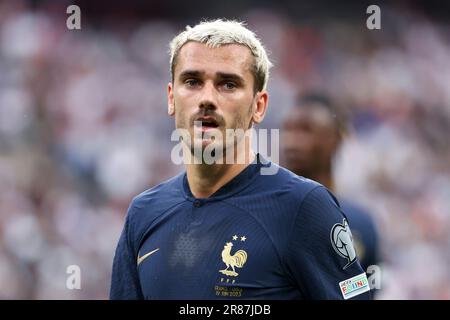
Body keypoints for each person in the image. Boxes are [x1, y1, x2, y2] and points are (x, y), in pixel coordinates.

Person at [110, 19, 370, 300]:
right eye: (193, 81)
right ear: (171, 98)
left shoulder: (303, 207)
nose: (207, 98)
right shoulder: (144, 213)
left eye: (228, 84)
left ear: (258, 106)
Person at [282, 92, 380, 289]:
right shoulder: (264, 213)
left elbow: (371, 287)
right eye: (288, 130)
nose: (292, 142)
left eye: (306, 130)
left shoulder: (360, 223)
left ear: (337, 138)